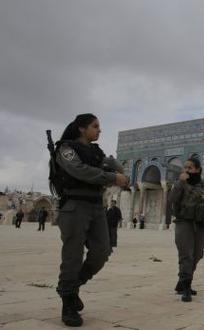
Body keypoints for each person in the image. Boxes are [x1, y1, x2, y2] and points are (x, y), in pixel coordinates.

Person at [51, 113, 129, 327]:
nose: (99, 130)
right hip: (75, 206)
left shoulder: (96, 152)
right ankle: (68, 303)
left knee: (102, 252)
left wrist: (117, 170)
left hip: (96, 207)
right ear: (81, 129)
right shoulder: (66, 149)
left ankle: (72, 286)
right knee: (73, 256)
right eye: (95, 126)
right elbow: (79, 171)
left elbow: (114, 168)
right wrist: (113, 177)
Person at [169, 157, 204, 302]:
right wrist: (180, 182)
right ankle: (186, 287)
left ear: (198, 169)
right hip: (184, 222)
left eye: (190, 168)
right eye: (185, 167)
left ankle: (182, 282)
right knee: (186, 255)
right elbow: (172, 199)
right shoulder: (180, 183)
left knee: (198, 254)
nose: (187, 170)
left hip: (200, 223)